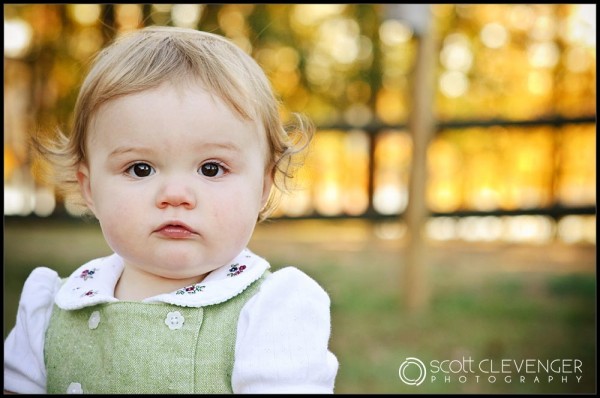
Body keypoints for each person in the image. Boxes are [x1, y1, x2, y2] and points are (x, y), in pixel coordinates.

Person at [4, 26, 338, 394]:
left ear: (262, 186)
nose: (176, 195)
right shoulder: (50, 309)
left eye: (211, 168)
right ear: (89, 188)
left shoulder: (272, 311)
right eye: (140, 169)